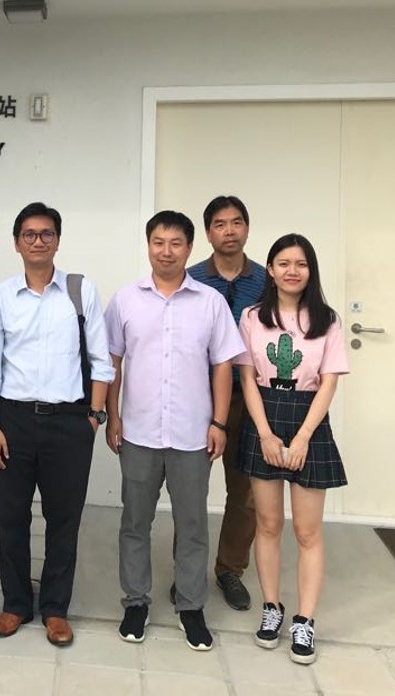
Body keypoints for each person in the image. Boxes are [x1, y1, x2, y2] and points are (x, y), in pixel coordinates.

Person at [104, 211, 244, 650]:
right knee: (134, 523)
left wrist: (219, 421)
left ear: (189, 247)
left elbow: (223, 365)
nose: (166, 251)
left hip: (191, 435)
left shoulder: (210, 302)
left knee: (193, 525)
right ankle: (136, 602)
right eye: (158, 242)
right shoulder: (125, 300)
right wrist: (113, 416)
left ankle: (190, 607)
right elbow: (112, 363)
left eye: (176, 243)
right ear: (148, 245)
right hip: (139, 434)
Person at [0, 202, 114, 647]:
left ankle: (56, 608)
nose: (38, 241)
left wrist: (94, 417)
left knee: (63, 520)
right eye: (29, 234)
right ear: (16, 242)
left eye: (47, 234)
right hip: (13, 422)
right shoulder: (0, 296)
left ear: (58, 240)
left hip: (69, 424)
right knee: (11, 518)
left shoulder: (79, 291)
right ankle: (16, 604)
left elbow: (101, 361)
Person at [236, 233, 349, 665]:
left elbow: (330, 381)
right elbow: (247, 378)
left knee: (307, 531)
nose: (291, 270)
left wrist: (301, 437)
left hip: (309, 420)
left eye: (300, 264)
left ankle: (304, 618)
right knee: (266, 524)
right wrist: (265, 433)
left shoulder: (327, 319)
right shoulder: (251, 316)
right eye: (282, 263)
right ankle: (271, 608)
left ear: (310, 270)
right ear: (270, 269)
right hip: (264, 414)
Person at [187, 195, 266, 611]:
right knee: (190, 488)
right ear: (208, 233)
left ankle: (229, 569)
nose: (229, 231)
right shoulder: (193, 278)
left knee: (247, 491)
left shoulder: (266, 281)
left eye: (237, 222)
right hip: (199, 398)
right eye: (220, 224)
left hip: (251, 399)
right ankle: (189, 571)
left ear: (247, 228)